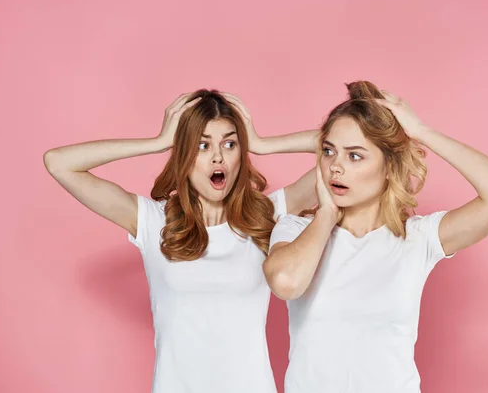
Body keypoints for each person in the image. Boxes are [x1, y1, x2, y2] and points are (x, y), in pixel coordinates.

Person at [43, 90, 318, 393]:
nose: (218, 157)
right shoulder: (153, 221)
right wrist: (157, 143)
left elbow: (357, 147)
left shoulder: (267, 216)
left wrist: (265, 145)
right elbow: (58, 163)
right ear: (184, 154)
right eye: (202, 145)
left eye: (230, 144)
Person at [264, 81, 488, 393]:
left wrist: (420, 131)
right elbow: (286, 282)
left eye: (355, 156)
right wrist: (326, 215)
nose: (336, 167)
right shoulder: (295, 229)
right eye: (329, 152)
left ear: (388, 165)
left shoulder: (419, 239)